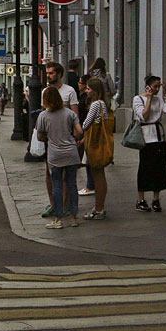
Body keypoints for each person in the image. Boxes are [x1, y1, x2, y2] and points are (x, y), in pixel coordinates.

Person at [35, 83, 84, 230]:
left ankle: (58, 219)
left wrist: (50, 138)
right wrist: (73, 139)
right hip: (71, 153)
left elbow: (39, 136)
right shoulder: (70, 113)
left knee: (57, 186)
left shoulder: (43, 116)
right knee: (72, 185)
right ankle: (74, 217)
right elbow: (80, 131)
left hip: (55, 154)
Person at [132, 75, 166, 212]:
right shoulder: (138, 99)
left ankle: (156, 198)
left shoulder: (159, 99)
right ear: (148, 87)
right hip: (146, 136)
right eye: (155, 86)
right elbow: (144, 115)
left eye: (158, 86)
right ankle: (141, 199)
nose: (156, 89)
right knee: (145, 167)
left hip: (158, 136)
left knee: (159, 168)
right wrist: (148, 99)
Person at [80, 75, 114, 220]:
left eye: (88, 88)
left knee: (97, 175)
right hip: (101, 142)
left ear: (95, 90)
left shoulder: (95, 105)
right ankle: (99, 207)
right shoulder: (104, 104)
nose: (86, 91)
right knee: (100, 175)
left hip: (94, 143)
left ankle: (99, 208)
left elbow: (85, 124)